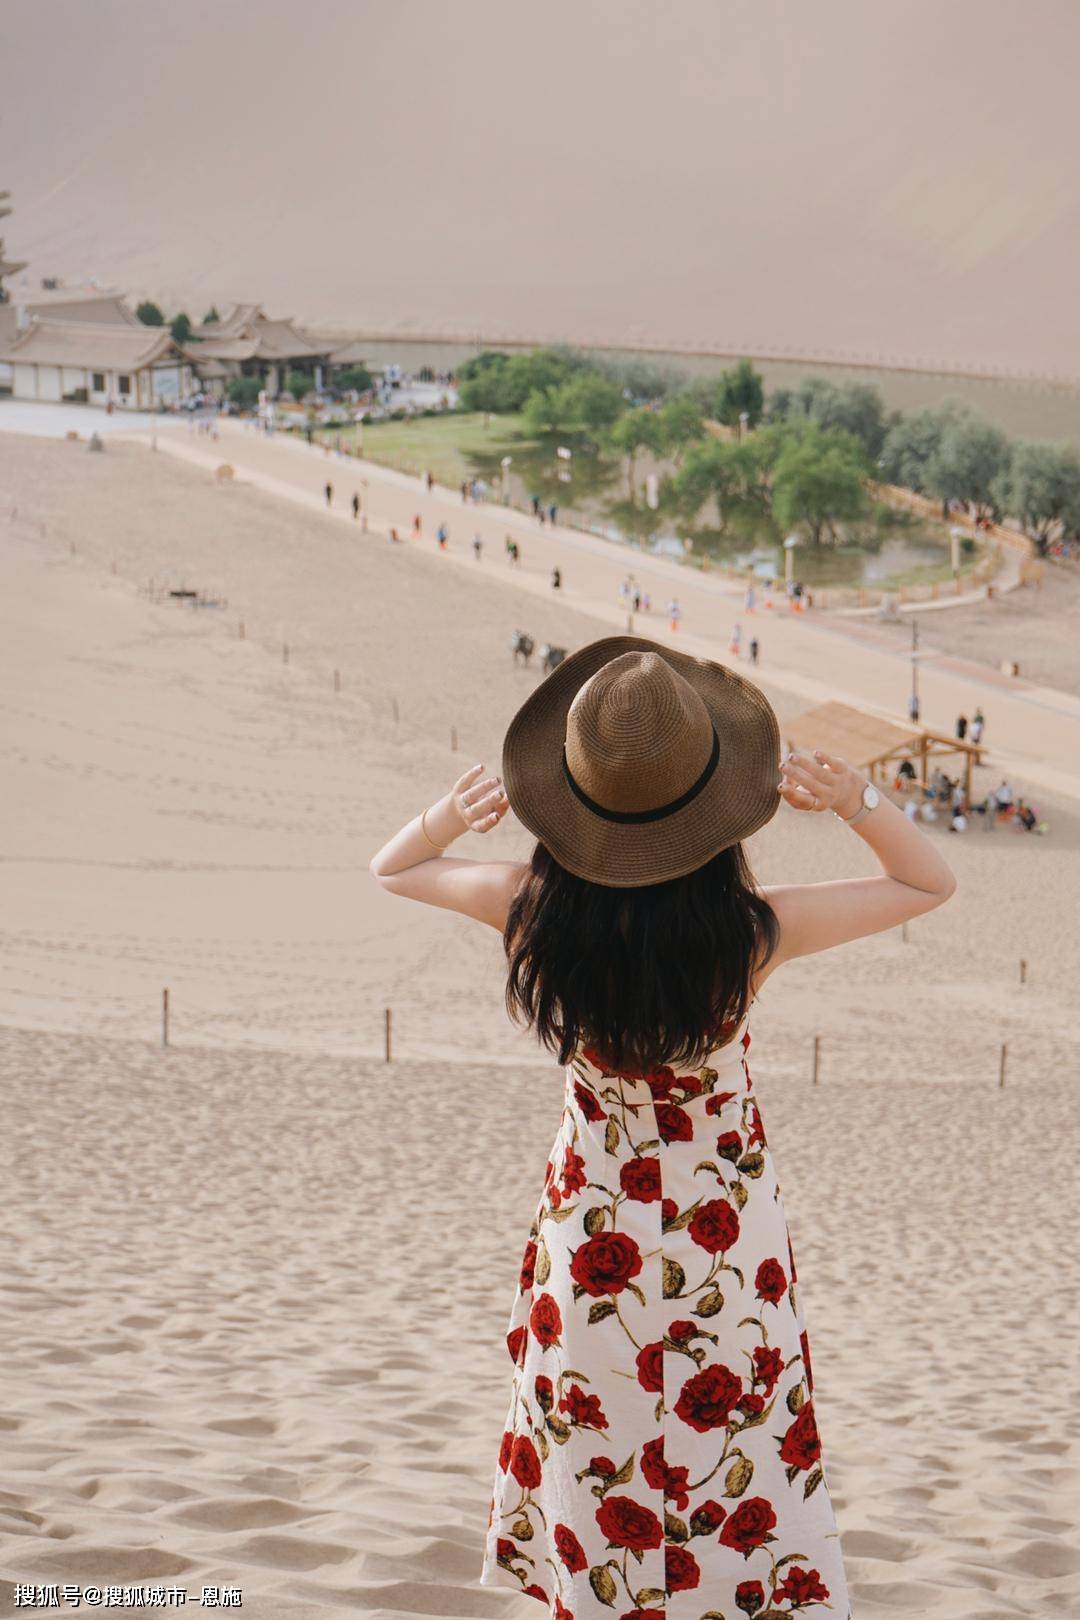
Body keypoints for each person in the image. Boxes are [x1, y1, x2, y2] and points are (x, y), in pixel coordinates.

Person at [369, 635, 956, 1617]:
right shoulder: (750, 934)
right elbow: (927, 885)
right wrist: (858, 802)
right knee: (735, 1445)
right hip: (724, 1242)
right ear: (715, 816)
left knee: (595, 1452)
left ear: (573, 802)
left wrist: (452, 813)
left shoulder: (531, 913)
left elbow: (393, 869)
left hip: (589, 1236)